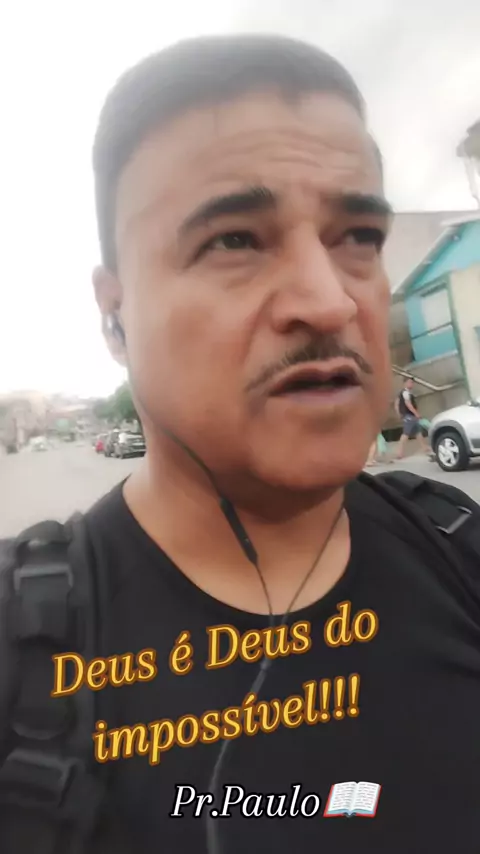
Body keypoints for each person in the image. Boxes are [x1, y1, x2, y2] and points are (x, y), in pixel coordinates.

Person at [1, 34, 480, 854]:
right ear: (114, 316)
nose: (329, 301)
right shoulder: (24, 652)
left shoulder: (460, 553)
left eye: (358, 236)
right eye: (234, 240)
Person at [395, 376, 429, 459]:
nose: (412, 384)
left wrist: (399, 413)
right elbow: (408, 404)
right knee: (406, 434)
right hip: (409, 416)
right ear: (405, 383)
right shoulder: (405, 393)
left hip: (410, 416)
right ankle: (399, 452)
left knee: (418, 432)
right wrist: (416, 413)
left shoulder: (405, 393)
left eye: (412, 382)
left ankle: (424, 447)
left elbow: (396, 403)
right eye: (410, 382)